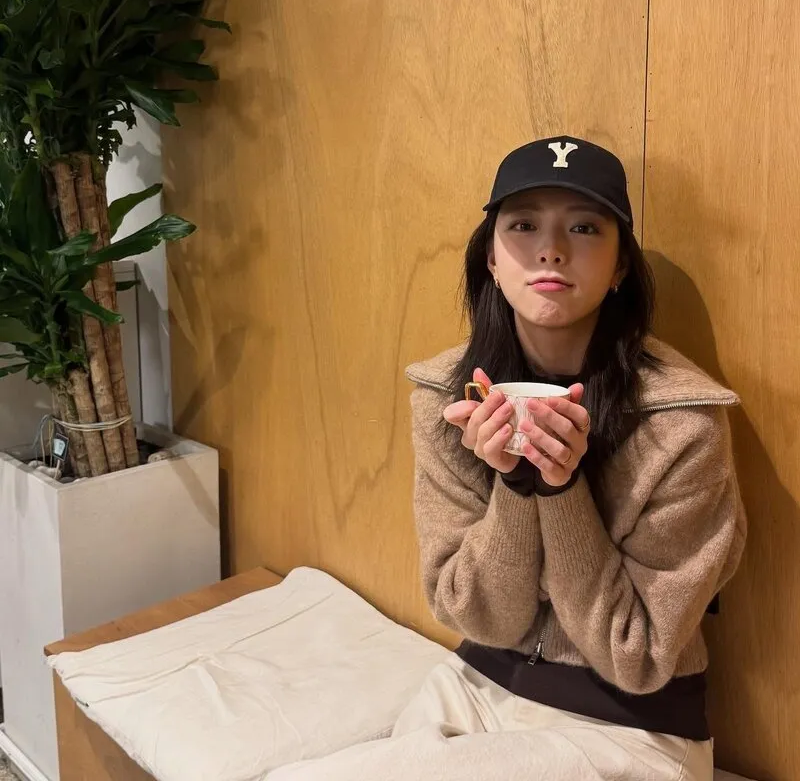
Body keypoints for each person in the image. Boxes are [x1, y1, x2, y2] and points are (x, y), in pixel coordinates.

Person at [269, 136, 747, 781]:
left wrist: (561, 490)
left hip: (631, 726)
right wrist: (517, 489)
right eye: (523, 226)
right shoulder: (446, 396)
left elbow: (637, 656)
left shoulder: (682, 422)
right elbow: (476, 616)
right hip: (477, 683)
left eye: (584, 227)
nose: (551, 249)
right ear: (491, 259)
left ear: (620, 268)